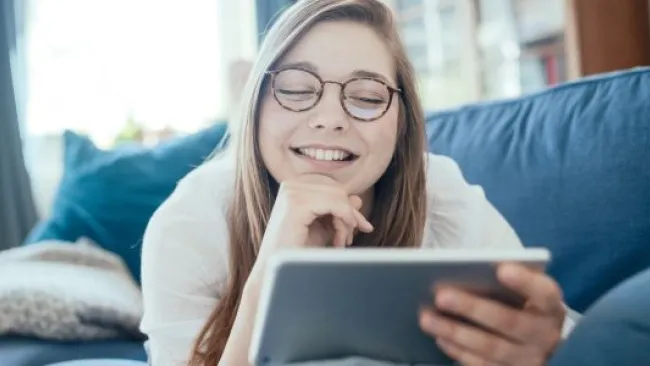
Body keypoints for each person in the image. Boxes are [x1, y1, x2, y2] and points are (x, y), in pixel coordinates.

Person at [139, 1, 578, 365]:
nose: (330, 119)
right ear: (255, 107)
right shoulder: (190, 222)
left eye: (367, 97)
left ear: (401, 124)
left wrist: (549, 346)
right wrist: (268, 272)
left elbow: (559, 326)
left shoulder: (441, 194)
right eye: (294, 89)